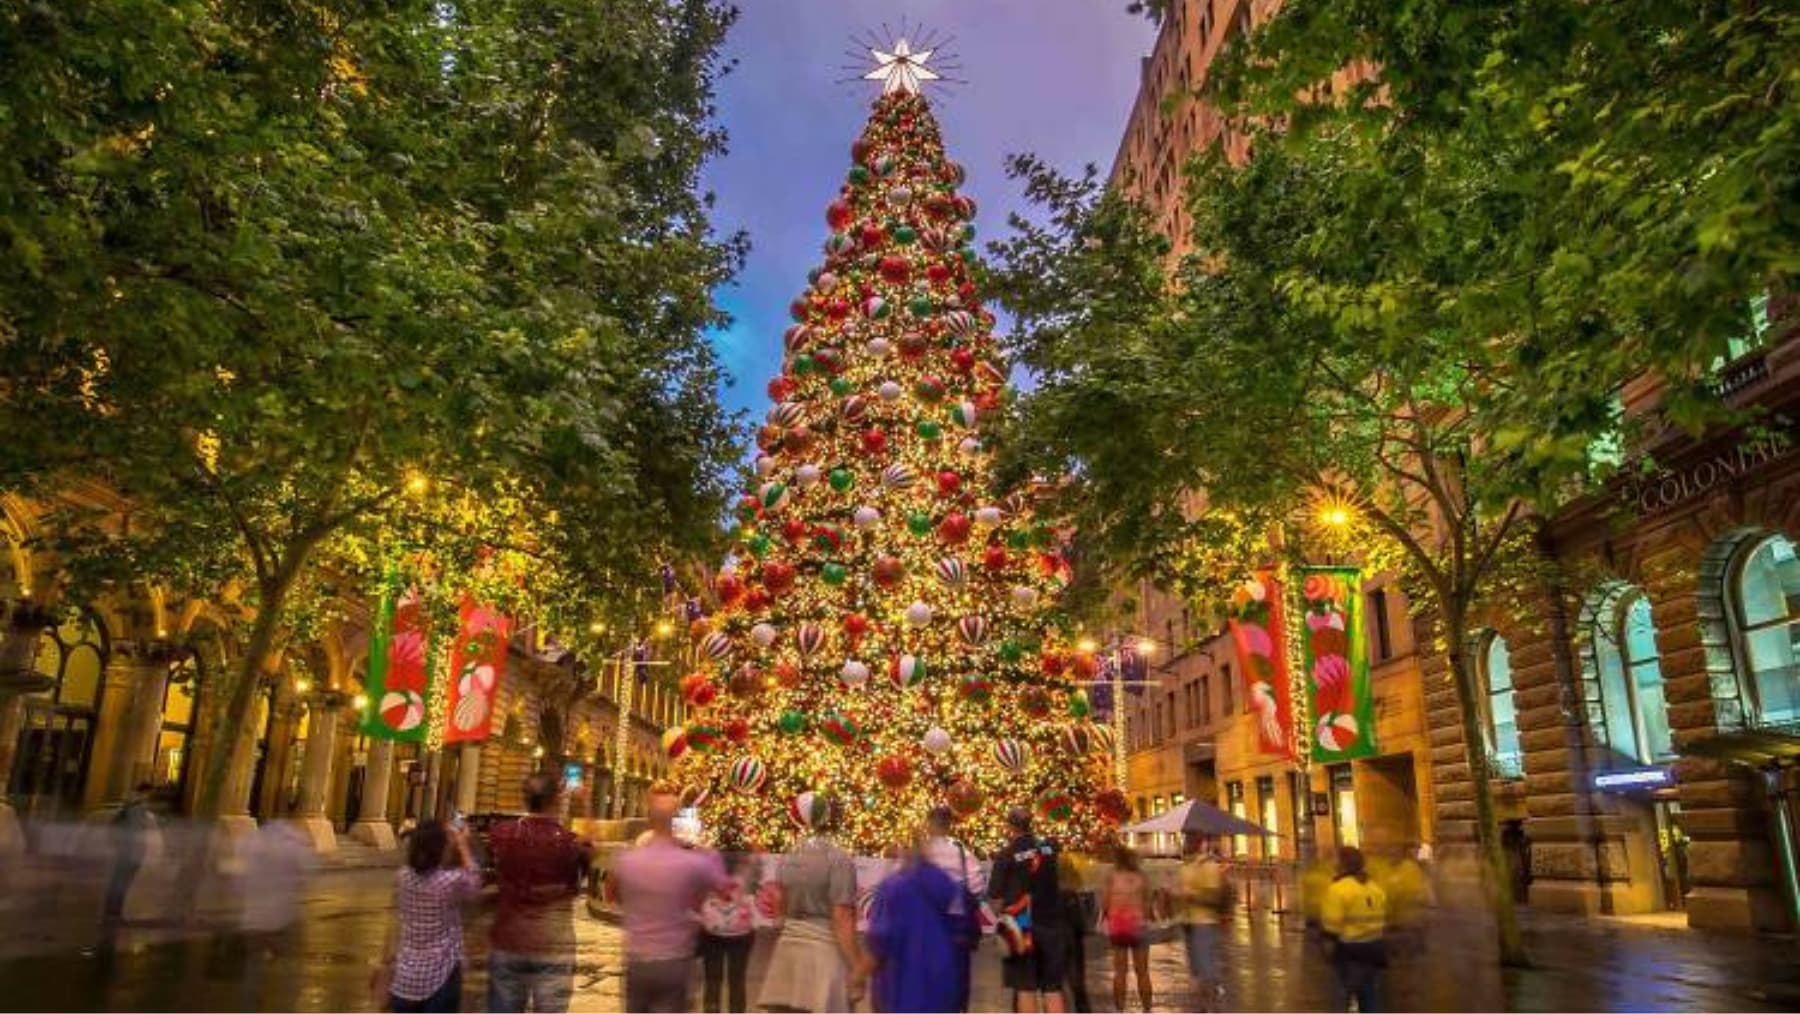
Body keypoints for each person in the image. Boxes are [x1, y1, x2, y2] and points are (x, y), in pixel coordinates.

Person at [611, 784, 729, 1013]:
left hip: (636, 961)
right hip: (675, 962)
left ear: (649, 819)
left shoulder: (628, 860)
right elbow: (725, 891)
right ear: (677, 822)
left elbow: (612, 892)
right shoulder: (695, 862)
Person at [487, 772, 594, 1013]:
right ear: (555, 800)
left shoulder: (502, 834)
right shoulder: (568, 843)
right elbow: (589, 852)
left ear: (525, 798)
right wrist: (585, 804)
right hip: (553, 945)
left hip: (509, 940)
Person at [757, 799, 863, 1012]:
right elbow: (841, 917)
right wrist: (857, 967)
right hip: (824, 956)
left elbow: (780, 906)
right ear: (832, 821)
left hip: (787, 952)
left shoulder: (789, 856)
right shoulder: (838, 859)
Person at [381, 820, 482, 1013]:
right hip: (440, 979)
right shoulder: (448, 881)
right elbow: (474, 881)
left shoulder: (403, 877)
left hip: (405, 979)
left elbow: (394, 917)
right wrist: (462, 844)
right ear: (441, 848)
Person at [861, 830, 963, 1013]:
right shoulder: (945, 883)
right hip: (941, 983)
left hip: (902, 988)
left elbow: (880, 940)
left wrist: (858, 975)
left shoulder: (892, 888)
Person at [987, 807, 1069, 1014]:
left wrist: (1000, 918)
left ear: (1009, 826)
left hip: (1019, 926)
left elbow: (995, 899)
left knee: (1025, 987)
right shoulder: (1049, 849)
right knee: (1053, 987)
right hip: (1052, 923)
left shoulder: (1006, 855)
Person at [239, 819, 319, 1008]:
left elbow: (241, 877)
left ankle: (249, 1004)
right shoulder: (295, 844)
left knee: (252, 965)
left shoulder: (253, 841)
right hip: (283, 917)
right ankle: (282, 1004)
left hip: (254, 917)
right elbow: (306, 876)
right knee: (287, 967)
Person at [922, 804, 986, 1010]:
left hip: (926, 926)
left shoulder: (921, 852)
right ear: (949, 825)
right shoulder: (961, 853)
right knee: (957, 978)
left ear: (929, 824)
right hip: (956, 928)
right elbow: (977, 886)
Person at [1320, 846, 1388, 1013]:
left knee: (1341, 998)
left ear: (1342, 864)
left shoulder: (1338, 889)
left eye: (1336, 860)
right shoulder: (1374, 888)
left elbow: (1331, 926)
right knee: (1370, 998)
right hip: (1374, 950)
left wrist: (1328, 950)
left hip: (1349, 952)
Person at [697, 847, 761, 1014]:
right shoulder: (751, 859)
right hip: (742, 928)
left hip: (712, 927)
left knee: (712, 980)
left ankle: (712, 1010)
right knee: (737, 980)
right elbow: (755, 887)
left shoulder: (707, 856)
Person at [1176, 834, 1230, 1011]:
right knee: (1196, 969)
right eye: (1185, 841)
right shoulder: (1185, 867)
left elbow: (1213, 897)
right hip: (1188, 922)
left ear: (1199, 844)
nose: (1185, 844)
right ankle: (1203, 1005)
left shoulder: (1209, 867)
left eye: (1189, 841)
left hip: (1205, 922)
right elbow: (1182, 895)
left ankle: (1213, 1004)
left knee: (1206, 968)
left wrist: (1193, 895)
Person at [1102, 844, 1152, 1013]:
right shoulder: (1142, 876)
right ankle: (1147, 1009)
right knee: (1143, 971)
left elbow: (1105, 903)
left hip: (1118, 926)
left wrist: (1106, 916)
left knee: (1120, 972)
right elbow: (1148, 903)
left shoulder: (1112, 876)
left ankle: (1119, 1009)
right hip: (1138, 926)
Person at [102, 782, 157, 928]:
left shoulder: (132, 807)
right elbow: (135, 832)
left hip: (130, 852)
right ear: (145, 792)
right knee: (121, 882)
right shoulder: (135, 808)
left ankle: (113, 912)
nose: (150, 797)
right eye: (149, 793)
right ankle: (113, 913)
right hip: (130, 852)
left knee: (120, 882)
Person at [1055, 848, 1096, 1014]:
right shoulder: (1075, 891)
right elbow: (1082, 920)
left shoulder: (1047, 890)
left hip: (1053, 938)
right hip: (1073, 938)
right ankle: (1082, 1009)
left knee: (1055, 985)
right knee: (1077, 981)